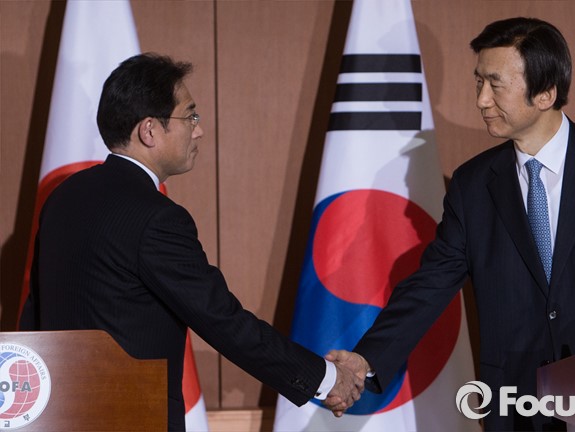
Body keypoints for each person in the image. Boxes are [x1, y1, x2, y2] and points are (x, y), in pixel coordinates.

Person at [326, 17, 575, 431]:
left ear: (545, 93)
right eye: (478, 82)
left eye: (495, 85)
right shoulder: (472, 185)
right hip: (516, 402)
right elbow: (430, 285)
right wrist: (366, 359)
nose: (481, 100)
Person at [18, 53, 362, 431]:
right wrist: (325, 379)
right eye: (190, 116)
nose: (198, 131)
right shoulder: (156, 217)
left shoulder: (63, 198)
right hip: (134, 419)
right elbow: (221, 319)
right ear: (150, 130)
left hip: (55, 418)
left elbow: (34, 316)